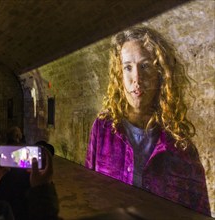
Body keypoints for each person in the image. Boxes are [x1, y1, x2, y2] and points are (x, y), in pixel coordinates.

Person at [85, 26, 210, 216]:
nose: (136, 78)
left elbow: (199, 212)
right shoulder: (103, 128)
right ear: (119, 75)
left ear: (160, 74)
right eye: (128, 67)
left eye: (145, 66)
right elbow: (88, 192)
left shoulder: (180, 146)